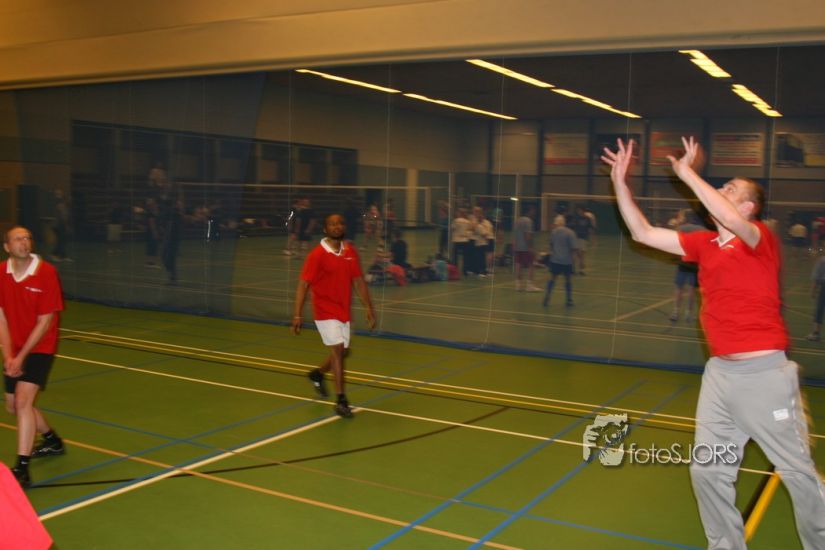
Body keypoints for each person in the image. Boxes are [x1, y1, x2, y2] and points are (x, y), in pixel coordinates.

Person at [602, 137, 825, 550]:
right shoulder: (703, 245)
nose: (721, 191)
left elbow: (727, 216)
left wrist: (687, 173)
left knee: (798, 473)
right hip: (720, 375)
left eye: (730, 189)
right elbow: (642, 232)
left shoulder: (759, 238)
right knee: (708, 470)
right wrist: (619, 182)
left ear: (748, 207)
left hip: (765, 375)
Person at [291, 214, 376, 418]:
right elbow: (303, 285)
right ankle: (341, 401)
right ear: (325, 229)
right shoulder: (317, 255)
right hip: (324, 310)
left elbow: (358, 282)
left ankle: (318, 374)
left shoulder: (350, 251)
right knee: (338, 350)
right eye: (332, 224)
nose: (337, 227)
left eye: (340, 223)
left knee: (343, 352)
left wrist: (369, 307)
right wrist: (297, 315)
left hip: (343, 311)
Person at [1, 227, 65, 488]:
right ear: (7, 247)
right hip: (15, 347)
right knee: (13, 406)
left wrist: (21, 357)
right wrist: (9, 356)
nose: (24, 242)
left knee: (23, 401)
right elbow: (1, 318)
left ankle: (22, 469)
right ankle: (52, 441)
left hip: (40, 346)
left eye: (27, 237)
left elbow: (45, 321)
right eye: (17, 239)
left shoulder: (46, 272)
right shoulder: (1, 273)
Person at [670, 209, 704, 322]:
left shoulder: (681, 228)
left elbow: (673, 240)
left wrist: (676, 223)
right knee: (691, 290)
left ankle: (675, 312)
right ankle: (688, 314)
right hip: (695, 264)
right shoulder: (701, 229)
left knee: (679, 288)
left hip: (683, 262)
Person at [543, 214, 577, 307]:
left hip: (555, 260)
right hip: (567, 261)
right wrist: (574, 261)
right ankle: (569, 299)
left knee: (552, 279)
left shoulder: (553, 232)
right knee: (568, 280)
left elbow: (551, 245)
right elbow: (574, 248)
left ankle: (547, 297)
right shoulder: (570, 233)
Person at [513, 206, 541, 291]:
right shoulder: (528, 221)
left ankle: (518, 285)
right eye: (533, 211)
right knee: (531, 265)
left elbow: (515, 234)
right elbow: (527, 235)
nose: (534, 213)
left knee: (518, 264)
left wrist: (515, 245)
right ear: (529, 211)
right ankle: (529, 285)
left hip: (518, 247)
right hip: (526, 247)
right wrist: (530, 247)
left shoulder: (517, 221)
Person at [807, 251, 825, 341]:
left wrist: (813, 291)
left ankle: (816, 333)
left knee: (819, 310)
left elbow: (816, 278)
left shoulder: (822, 261)